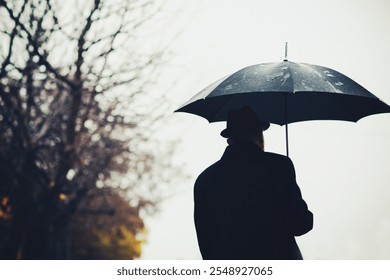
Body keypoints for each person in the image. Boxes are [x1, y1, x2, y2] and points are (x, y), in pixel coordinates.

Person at [194, 106, 313, 260]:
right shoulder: (279, 166)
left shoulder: (205, 180)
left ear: (229, 140)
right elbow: (301, 224)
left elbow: (206, 243)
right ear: (259, 135)